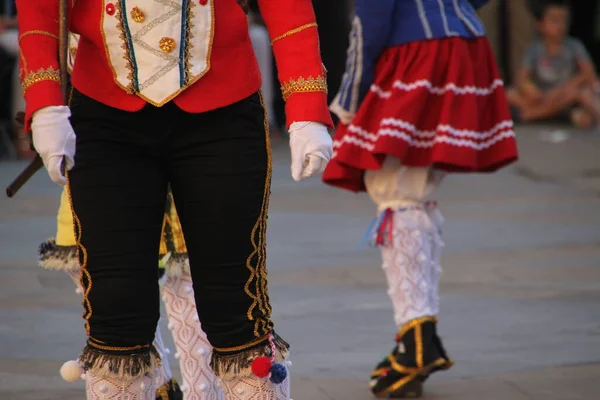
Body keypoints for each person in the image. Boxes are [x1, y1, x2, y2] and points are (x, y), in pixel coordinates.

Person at [16, 0, 333, 399]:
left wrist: (306, 102)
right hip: (105, 110)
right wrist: (45, 102)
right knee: (115, 312)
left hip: (223, 105)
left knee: (237, 306)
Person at [323, 0, 518, 398]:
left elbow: (371, 20)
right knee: (417, 188)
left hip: (415, 52)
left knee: (396, 190)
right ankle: (419, 334)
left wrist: (349, 97)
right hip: (463, 43)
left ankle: (416, 340)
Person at [506, 0, 600, 128]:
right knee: (508, 94)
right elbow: (522, 78)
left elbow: (588, 73)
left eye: (564, 20)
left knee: (583, 93)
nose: (560, 26)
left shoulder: (574, 46)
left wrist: (562, 89)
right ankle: (557, 114)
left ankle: (535, 114)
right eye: (554, 20)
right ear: (540, 24)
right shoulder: (534, 49)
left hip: (565, 95)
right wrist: (531, 90)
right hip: (543, 95)